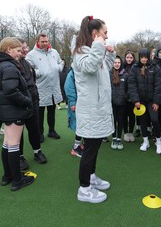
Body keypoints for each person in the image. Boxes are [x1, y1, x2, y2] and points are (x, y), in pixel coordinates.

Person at [72, 16, 115, 203]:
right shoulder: (81, 53)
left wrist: (110, 54)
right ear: (96, 34)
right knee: (89, 149)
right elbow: (89, 67)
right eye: (105, 33)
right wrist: (99, 47)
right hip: (90, 111)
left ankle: (91, 177)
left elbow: (105, 69)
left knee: (95, 148)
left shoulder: (93, 51)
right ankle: (84, 188)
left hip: (99, 109)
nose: (107, 36)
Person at [0, 37, 35, 191]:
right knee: (14, 145)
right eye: (17, 50)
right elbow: (11, 91)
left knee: (7, 143)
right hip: (14, 110)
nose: (20, 53)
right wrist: (27, 101)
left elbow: (2, 89)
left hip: (6, 109)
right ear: (8, 49)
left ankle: (7, 176)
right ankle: (17, 180)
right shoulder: (9, 66)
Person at [25, 33, 64, 142]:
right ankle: (40, 133)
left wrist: (59, 67)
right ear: (37, 41)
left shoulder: (54, 52)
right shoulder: (31, 55)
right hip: (40, 88)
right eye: (43, 41)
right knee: (39, 113)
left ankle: (51, 130)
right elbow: (28, 71)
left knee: (52, 110)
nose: (45, 43)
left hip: (53, 87)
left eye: (46, 41)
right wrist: (40, 72)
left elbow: (60, 62)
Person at [16, 37, 47, 170]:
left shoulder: (26, 62)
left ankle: (37, 151)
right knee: (18, 132)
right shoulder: (9, 65)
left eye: (26, 47)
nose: (25, 50)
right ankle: (20, 156)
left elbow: (32, 82)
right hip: (18, 104)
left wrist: (35, 97)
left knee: (34, 128)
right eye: (22, 48)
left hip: (32, 102)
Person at [127, 48, 161, 153]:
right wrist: (136, 100)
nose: (143, 59)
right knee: (143, 121)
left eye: (145, 57)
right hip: (140, 101)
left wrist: (157, 102)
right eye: (142, 57)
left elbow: (159, 86)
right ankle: (145, 141)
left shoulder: (155, 67)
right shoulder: (135, 68)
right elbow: (132, 85)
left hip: (152, 101)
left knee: (155, 120)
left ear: (148, 57)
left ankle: (158, 142)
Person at [64, 67, 84, 157]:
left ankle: (79, 144)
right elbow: (68, 87)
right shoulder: (73, 72)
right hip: (77, 102)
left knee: (82, 124)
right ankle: (75, 148)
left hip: (84, 102)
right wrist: (72, 102)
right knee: (79, 125)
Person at [110, 55, 128, 150]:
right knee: (113, 120)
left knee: (120, 121)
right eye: (115, 62)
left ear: (121, 64)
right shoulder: (109, 74)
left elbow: (129, 88)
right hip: (111, 102)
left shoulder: (125, 74)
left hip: (122, 103)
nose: (117, 64)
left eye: (119, 62)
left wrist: (125, 97)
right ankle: (113, 138)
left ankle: (118, 139)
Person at [122, 50, 139, 141]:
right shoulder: (122, 67)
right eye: (127, 57)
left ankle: (130, 133)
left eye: (131, 57)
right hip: (124, 96)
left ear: (133, 58)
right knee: (124, 116)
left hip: (133, 96)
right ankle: (125, 133)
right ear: (125, 58)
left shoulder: (136, 67)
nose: (129, 59)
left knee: (132, 116)